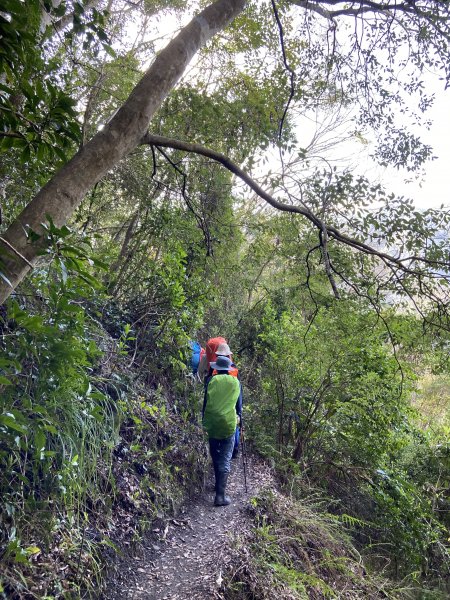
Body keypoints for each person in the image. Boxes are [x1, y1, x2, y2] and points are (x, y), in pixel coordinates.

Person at [202, 355, 242, 506]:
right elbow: (238, 407)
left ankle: (217, 485)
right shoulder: (235, 382)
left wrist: (204, 420)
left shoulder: (211, 381)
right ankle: (220, 496)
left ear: (216, 369)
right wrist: (240, 419)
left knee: (215, 454)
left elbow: (205, 404)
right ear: (229, 369)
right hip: (228, 424)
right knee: (225, 457)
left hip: (211, 423)